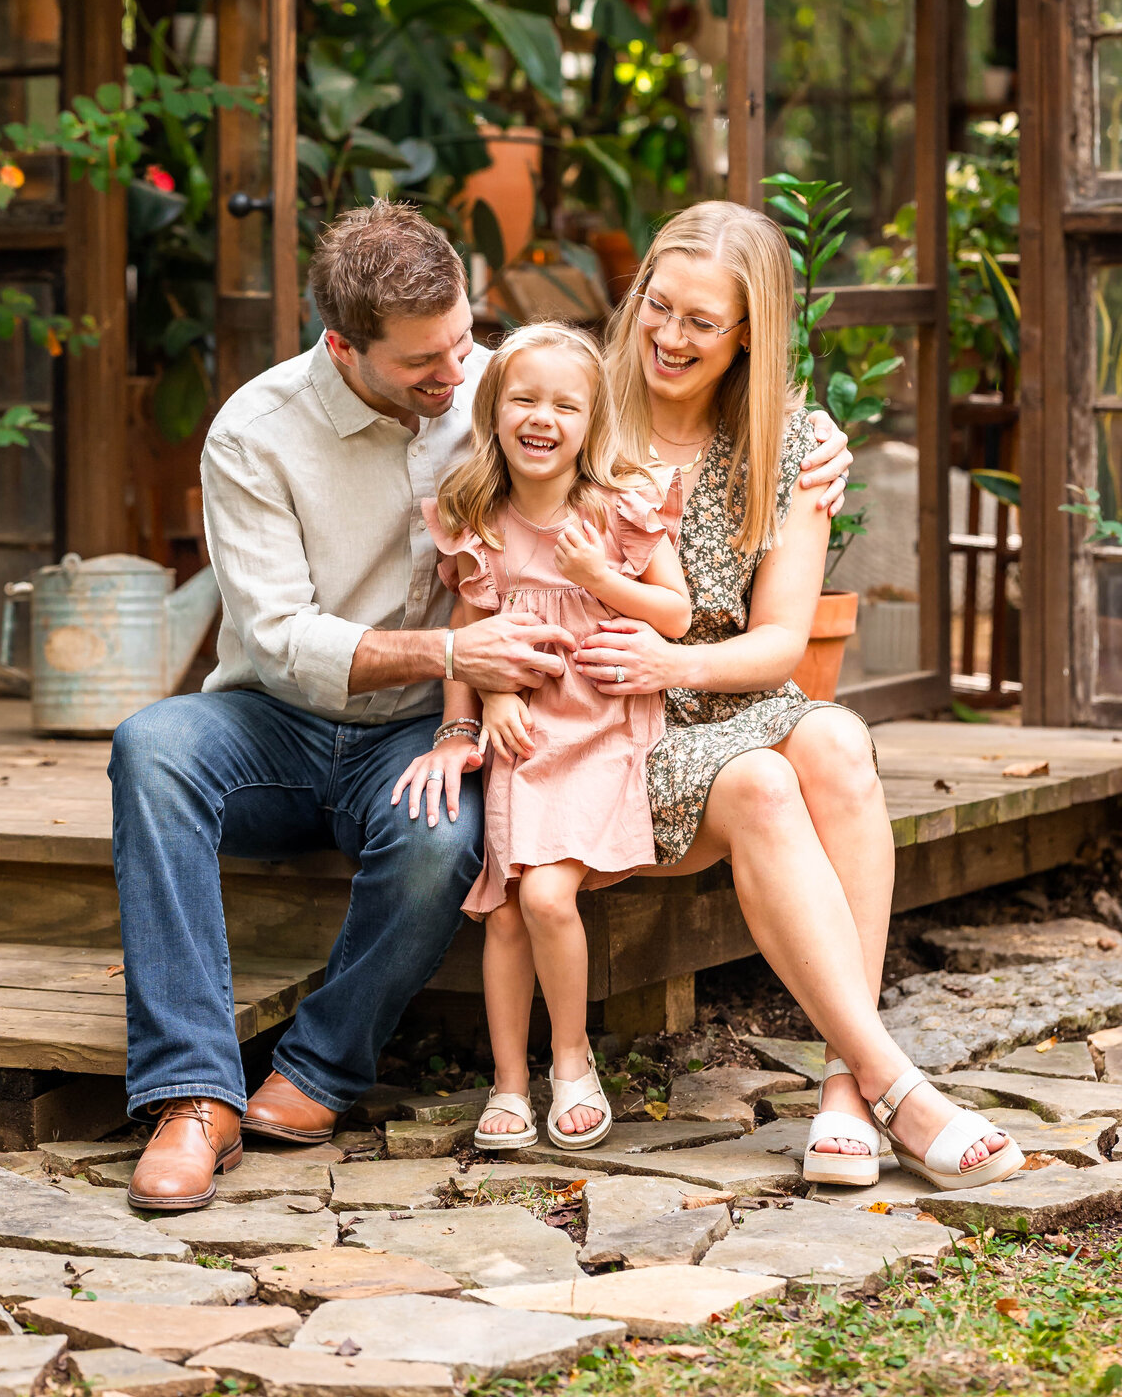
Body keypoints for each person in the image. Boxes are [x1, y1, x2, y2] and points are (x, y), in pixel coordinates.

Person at [110, 200, 853, 1211]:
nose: (457, 373)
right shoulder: (255, 434)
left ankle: (318, 1070)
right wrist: (456, 653)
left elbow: (617, 401)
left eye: (465, 341)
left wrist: (811, 435)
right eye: (426, 362)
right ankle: (193, 1096)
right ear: (345, 347)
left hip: (429, 730)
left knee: (443, 842)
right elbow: (279, 640)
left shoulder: (500, 388)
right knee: (152, 747)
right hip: (278, 721)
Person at [562, 201, 1023, 1191]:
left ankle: (846, 1091)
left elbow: (778, 643)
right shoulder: (575, 405)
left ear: (748, 334)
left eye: (701, 322)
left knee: (839, 742)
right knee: (766, 784)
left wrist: (676, 662)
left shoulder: (787, 444)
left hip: (716, 690)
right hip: (612, 723)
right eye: (658, 306)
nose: (669, 337)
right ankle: (895, 1086)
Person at [393, 325, 691, 1151]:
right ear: (493, 410)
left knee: (547, 896)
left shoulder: (617, 509)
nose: (542, 418)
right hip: (523, 733)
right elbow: (468, 634)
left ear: (592, 423)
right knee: (503, 915)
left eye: (566, 405)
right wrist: (483, 702)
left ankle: (570, 1058)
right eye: (524, 399)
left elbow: (675, 615)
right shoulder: (481, 519)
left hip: (600, 725)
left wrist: (599, 577)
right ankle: (509, 1083)